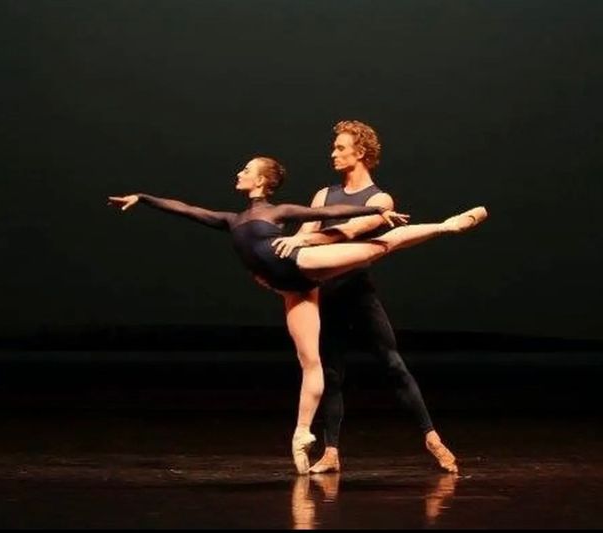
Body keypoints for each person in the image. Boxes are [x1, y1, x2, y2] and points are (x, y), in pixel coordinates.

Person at [108, 155, 486, 474]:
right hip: (293, 288)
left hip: (301, 264)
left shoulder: (277, 211)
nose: (239, 173)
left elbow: (328, 212)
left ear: (261, 181)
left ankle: (447, 225)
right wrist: (144, 198)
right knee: (311, 362)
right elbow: (188, 210)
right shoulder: (231, 219)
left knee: (377, 248)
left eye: (246, 170)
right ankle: (303, 433)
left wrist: (375, 209)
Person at [271, 120, 463, 474]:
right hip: (325, 294)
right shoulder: (323, 195)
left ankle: (431, 438)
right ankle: (331, 452)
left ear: (360, 153)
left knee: (392, 364)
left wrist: (306, 240)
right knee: (331, 373)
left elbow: (351, 230)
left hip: (357, 293)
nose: (333, 153)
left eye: (340, 148)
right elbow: (304, 233)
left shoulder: (379, 200)